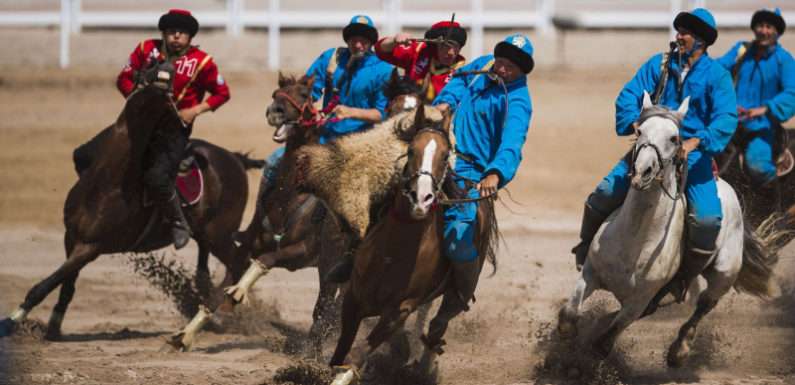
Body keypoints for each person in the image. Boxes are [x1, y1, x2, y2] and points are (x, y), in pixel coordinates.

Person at [571, 8, 738, 304]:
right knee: (604, 193)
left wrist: (697, 142)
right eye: (680, 30)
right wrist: (634, 122)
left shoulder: (717, 76)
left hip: (693, 158)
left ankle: (681, 279)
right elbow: (628, 95)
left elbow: (725, 118)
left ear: (702, 41)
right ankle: (585, 251)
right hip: (649, 150)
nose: (680, 36)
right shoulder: (658, 65)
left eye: (686, 32)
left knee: (708, 219)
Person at [73, 8, 231, 249]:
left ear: (190, 37)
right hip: (133, 125)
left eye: (182, 32)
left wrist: (195, 110)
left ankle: (178, 222)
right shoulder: (146, 49)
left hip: (172, 132)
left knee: (157, 177)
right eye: (171, 32)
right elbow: (123, 78)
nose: (176, 36)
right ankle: (95, 204)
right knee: (83, 154)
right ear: (164, 33)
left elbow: (222, 94)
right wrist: (135, 96)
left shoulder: (203, 62)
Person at [429, 33, 533, 318]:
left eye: (509, 67)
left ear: (521, 71)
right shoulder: (484, 65)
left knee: (457, 238)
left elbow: (512, 142)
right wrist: (445, 103)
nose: (500, 69)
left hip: (471, 171)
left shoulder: (519, 101)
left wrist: (495, 174)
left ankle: (459, 294)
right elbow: (460, 80)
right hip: (440, 150)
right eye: (500, 61)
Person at [256, 15, 393, 208]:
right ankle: (256, 226)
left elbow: (382, 114)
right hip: (322, 138)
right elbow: (307, 91)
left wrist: (351, 112)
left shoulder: (383, 70)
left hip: (360, 144)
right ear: (348, 40)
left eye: (364, 40)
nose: (359, 45)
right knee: (273, 163)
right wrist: (295, 117)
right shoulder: (331, 58)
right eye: (354, 40)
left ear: (371, 42)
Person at [717, 8, 795, 186]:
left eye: (769, 26)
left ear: (777, 32)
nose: (764, 30)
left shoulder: (784, 60)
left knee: (757, 167)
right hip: (732, 121)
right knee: (710, 153)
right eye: (760, 25)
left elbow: (793, 91)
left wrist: (765, 109)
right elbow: (719, 69)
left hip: (763, 126)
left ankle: (773, 199)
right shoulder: (741, 50)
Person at [375, 19, 467, 102]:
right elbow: (381, 51)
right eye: (446, 46)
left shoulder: (463, 73)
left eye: (456, 47)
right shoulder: (418, 52)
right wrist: (394, 40)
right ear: (435, 46)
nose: (451, 52)